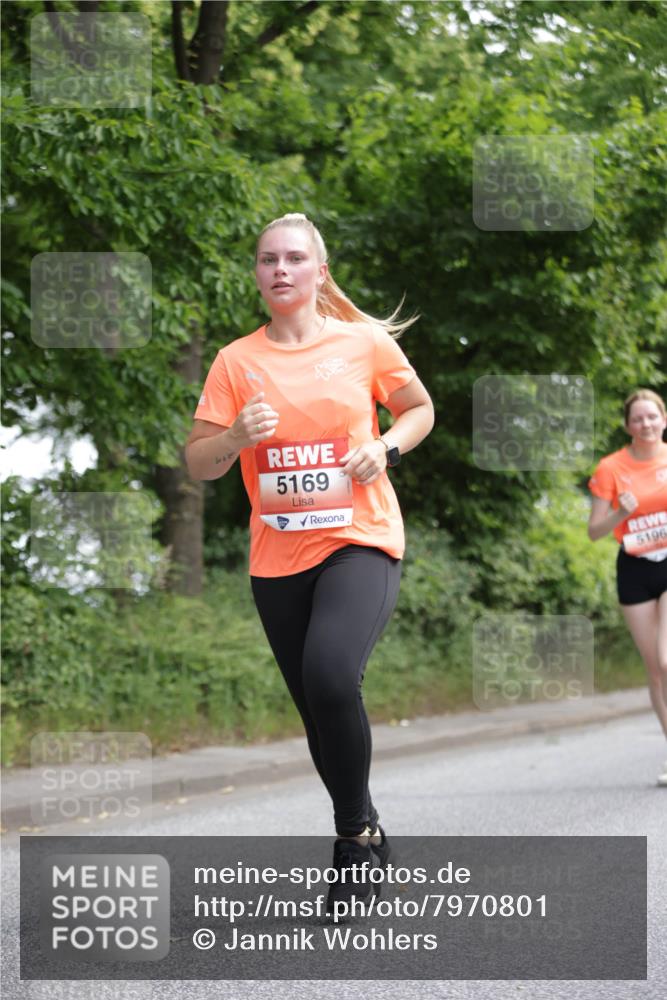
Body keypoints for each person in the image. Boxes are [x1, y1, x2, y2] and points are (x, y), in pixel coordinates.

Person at [185, 212, 434, 912]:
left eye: (294, 258)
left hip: (360, 537)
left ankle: (350, 842)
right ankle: (368, 824)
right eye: (268, 259)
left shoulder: (362, 342)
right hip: (278, 555)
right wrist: (235, 435)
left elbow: (418, 409)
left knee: (330, 676)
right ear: (257, 274)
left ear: (319, 272)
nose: (281, 269)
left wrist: (384, 447)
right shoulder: (235, 361)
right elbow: (200, 463)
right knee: (316, 711)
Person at [587, 388, 667, 786]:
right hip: (634, 568)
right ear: (627, 425)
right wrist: (621, 511)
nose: (646, 424)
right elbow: (594, 531)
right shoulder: (610, 468)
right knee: (654, 669)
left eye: (652, 416)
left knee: (666, 660)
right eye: (638, 418)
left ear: (664, 419)